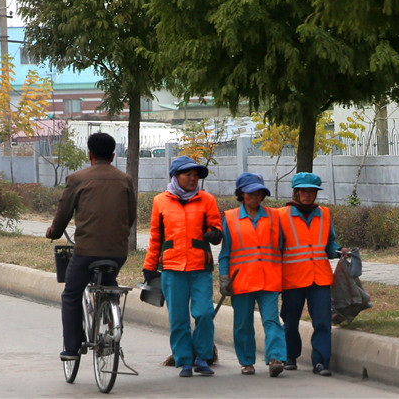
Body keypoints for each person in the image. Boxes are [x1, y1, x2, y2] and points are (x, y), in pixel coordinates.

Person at [45, 132, 137, 362]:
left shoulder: (77, 179)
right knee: (108, 282)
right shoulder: (125, 179)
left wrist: (53, 233)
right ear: (113, 156)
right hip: (118, 252)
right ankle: (112, 313)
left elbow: (63, 214)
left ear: (90, 155)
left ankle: (72, 348)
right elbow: (131, 216)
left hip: (86, 252)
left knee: (71, 294)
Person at [142, 155, 223, 378]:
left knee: (204, 313)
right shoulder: (160, 201)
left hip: (200, 269)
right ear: (175, 176)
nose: (193, 178)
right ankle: (184, 360)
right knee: (178, 318)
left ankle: (204, 357)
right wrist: (149, 266)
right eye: (188, 174)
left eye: (196, 175)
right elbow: (156, 237)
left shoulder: (207, 200)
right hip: (172, 269)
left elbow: (216, 228)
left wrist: (215, 234)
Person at [278, 172, 347, 377]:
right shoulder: (282, 215)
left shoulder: (324, 214)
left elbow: (329, 242)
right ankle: (290, 356)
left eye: (311, 191)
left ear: (316, 193)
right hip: (292, 277)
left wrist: (339, 250)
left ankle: (321, 362)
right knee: (290, 321)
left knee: (322, 322)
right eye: (303, 191)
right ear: (296, 192)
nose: (307, 195)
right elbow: (276, 247)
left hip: (320, 277)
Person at [219, 173, 286, 377]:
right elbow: (225, 254)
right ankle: (246, 362)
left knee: (272, 320)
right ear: (241, 194)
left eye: (259, 193)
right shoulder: (230, 218)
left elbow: (282, 247)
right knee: (242, 323)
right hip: (241, 280)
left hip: (269, 278)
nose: (255, 197)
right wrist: (223, 279)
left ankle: (276, 358)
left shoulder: (275, 216)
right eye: (250, 193)